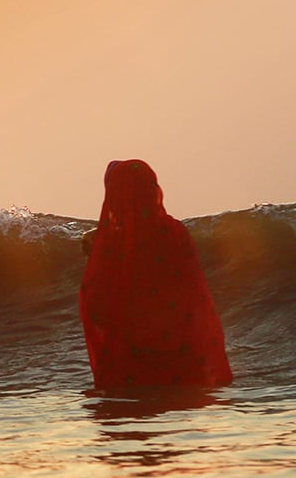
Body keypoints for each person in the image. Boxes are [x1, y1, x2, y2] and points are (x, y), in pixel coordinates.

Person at [79, 160, 232, 389]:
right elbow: (195, 295)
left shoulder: (108, 243)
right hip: (182, 359)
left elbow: (98, 309)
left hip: (130, 367)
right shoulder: (175, 232)